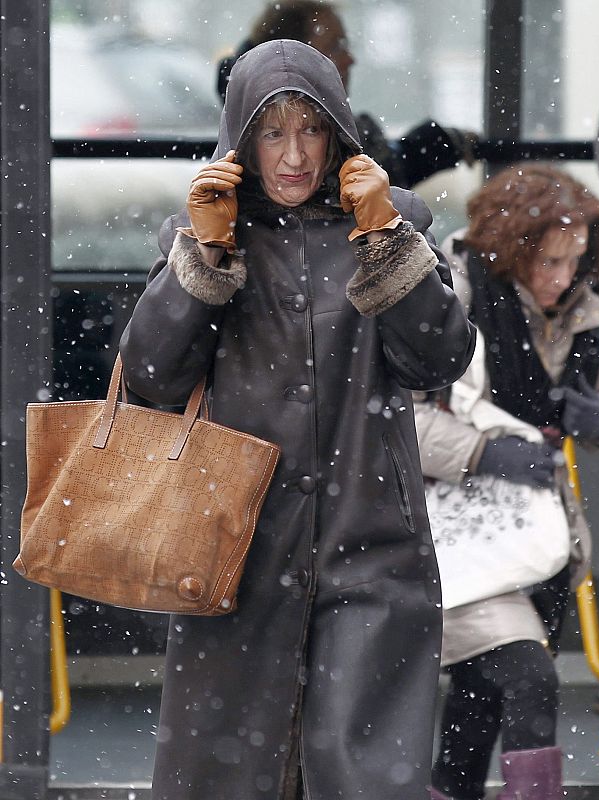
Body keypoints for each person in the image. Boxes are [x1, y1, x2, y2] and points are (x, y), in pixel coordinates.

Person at [119, 39, 476, 800]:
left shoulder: (391, 221)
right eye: (271, 132)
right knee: (225, 774)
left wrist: (386, 239)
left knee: (369, 776)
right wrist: (204, 257)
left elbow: (439, 359)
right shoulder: (206, 229)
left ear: (337, 133)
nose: (292, 156)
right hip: (235, 547)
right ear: (241, 140)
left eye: (309, 130)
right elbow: (153, 375)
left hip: (370, 537)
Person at [413, 164, 599, 800]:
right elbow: (403, 418)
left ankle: (453, 790)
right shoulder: (458, 288)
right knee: (528, 677)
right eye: (550, 262)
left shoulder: (589, 298)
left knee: (480, 700)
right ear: (512, 250)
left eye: (576, 260)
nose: (562, 278)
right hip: (461, 528)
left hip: (541, 535)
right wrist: (482, 451)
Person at [216, 0, 478, 189]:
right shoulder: (335, 140)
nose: (349, 59)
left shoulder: (245, 125)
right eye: (336, 46)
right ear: (293, 58)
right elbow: (386, 174)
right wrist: (439, 143)